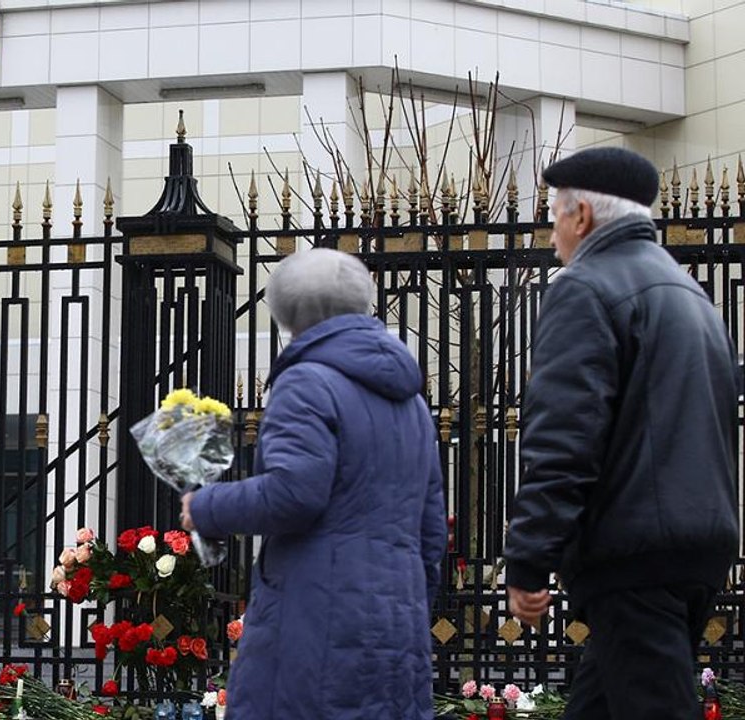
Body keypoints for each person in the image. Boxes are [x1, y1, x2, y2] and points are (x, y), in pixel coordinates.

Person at [503, 147, 739, 719]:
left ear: (581, 216)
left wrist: (530, 557)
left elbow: (564, 435)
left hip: (634, 554)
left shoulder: (584, 288)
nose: (551, 232)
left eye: (553, 216)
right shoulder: (689, 295)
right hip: (694, 546)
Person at [180, 248, 446, 720]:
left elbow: (293, 494)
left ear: (288, 312)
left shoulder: (306, 383)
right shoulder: (413, 405)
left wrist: (205, 506)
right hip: (396, 623)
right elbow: (430, 532)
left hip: (315, 614)